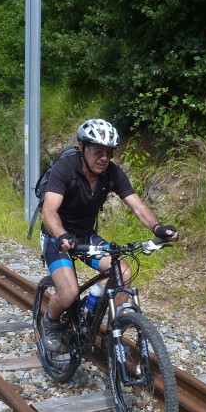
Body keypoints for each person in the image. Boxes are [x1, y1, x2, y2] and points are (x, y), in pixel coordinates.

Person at [39, 118, 179, 351]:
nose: (104, 158)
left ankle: (110, 333)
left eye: (109, 153)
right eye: (97, 151)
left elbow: (138, 207)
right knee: (69, 292)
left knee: (123, 273)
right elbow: (49, 211)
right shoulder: (65, 168)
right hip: (57, 236)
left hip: (85, 236)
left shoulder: (112, 173)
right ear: (82, 148)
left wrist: (157, 228)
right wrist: (62, 235)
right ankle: (50, 321)